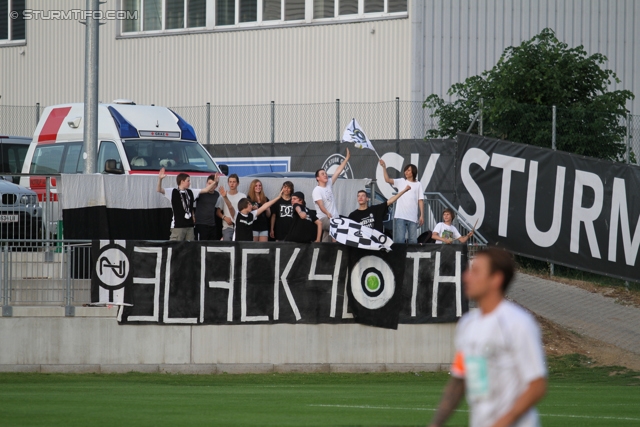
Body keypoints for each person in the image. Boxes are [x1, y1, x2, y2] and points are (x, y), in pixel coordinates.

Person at [428, 248, 547, 427]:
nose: (466, 277)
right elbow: (460, 379)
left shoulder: (518, 323)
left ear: (496, 279)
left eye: (475, 271)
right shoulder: (467, 324)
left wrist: (503, 422)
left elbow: (537, 385)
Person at [156, 168, 216, 241]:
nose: (189, 183)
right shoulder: (172, 191)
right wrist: (160, 179)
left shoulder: (191, 192)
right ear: (182, 181)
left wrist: (214, 182)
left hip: (190, 226)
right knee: (176, 248)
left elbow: (206, 190)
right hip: (178, 226)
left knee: (190, 249)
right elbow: (159, 189)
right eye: (188, 181)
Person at [379, 160, 424, 244]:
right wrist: (384, 167)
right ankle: (400, 256)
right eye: (405, 170)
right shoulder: (401, 181)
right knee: (400, 240)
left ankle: (411, 257)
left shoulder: (418, 184)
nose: (406, 172)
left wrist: (422, 215)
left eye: (408, 170)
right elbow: (387, 180)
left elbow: (420, 200)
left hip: (413, 217)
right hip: (400, 216)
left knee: (413, 241)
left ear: (413, 172)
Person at [313, 148, 351, 242]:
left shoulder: (329, 184)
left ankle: (324, 253)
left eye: (325, 173)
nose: (325, 175)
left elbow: (337, 172)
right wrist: (327, 213)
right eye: (322, 174)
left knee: (326, 239)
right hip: (324, 218)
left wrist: (346, 159)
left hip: (334, 217)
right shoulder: (317, 190)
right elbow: (321, 205)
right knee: (336, 228)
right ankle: (336, 247)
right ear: (318, 178)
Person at [347, 185, 411, 234]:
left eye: (363, 195)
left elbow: (389, 201)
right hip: (361, 245)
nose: (360, 197)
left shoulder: (375, 210)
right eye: (358, 196)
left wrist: (404, 190)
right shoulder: (353, 215)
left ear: (367, 198)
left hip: (375, 243)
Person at [193, 174, 224, 241]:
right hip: (201, 224)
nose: (211, 186)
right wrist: (192, 214)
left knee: (211, 245)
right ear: (206, 183)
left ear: (216, 186)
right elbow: (190, 203)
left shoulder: (217, 194)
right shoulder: (200, 193)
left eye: (213, 184)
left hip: (212, 224)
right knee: (201, 244)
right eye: (209, 183)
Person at [220, 174, 246, 241]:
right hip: (227, 227)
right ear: (228, 183)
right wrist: (224, 217)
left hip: (240, 227)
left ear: (238, 183)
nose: (232, 184)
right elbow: (218, 211)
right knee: (228, 246)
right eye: (230, 182)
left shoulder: (243, 196)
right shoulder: (223, 196)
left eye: (234, 182)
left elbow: (245, 211)